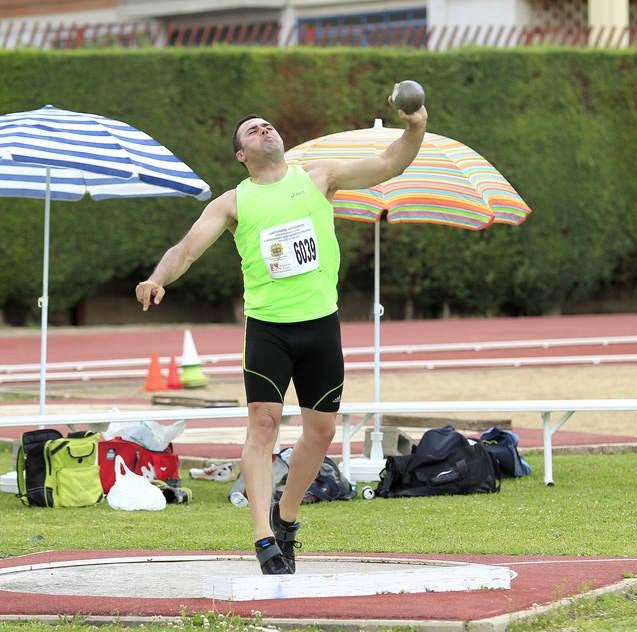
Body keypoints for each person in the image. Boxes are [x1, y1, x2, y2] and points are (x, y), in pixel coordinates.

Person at [135, 92, 427, 575]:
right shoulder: (233, 202)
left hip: (320, 326)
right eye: (252, 130)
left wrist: (416, 123)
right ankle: (263, 537)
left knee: (321, 431)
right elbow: (185, 249)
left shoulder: (319, 178)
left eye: (267, 125)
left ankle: (285, 517)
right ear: (241, 155)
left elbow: (391, 162)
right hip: (268, 330)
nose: (264, 130)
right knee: (263, 426)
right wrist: (157, 278)